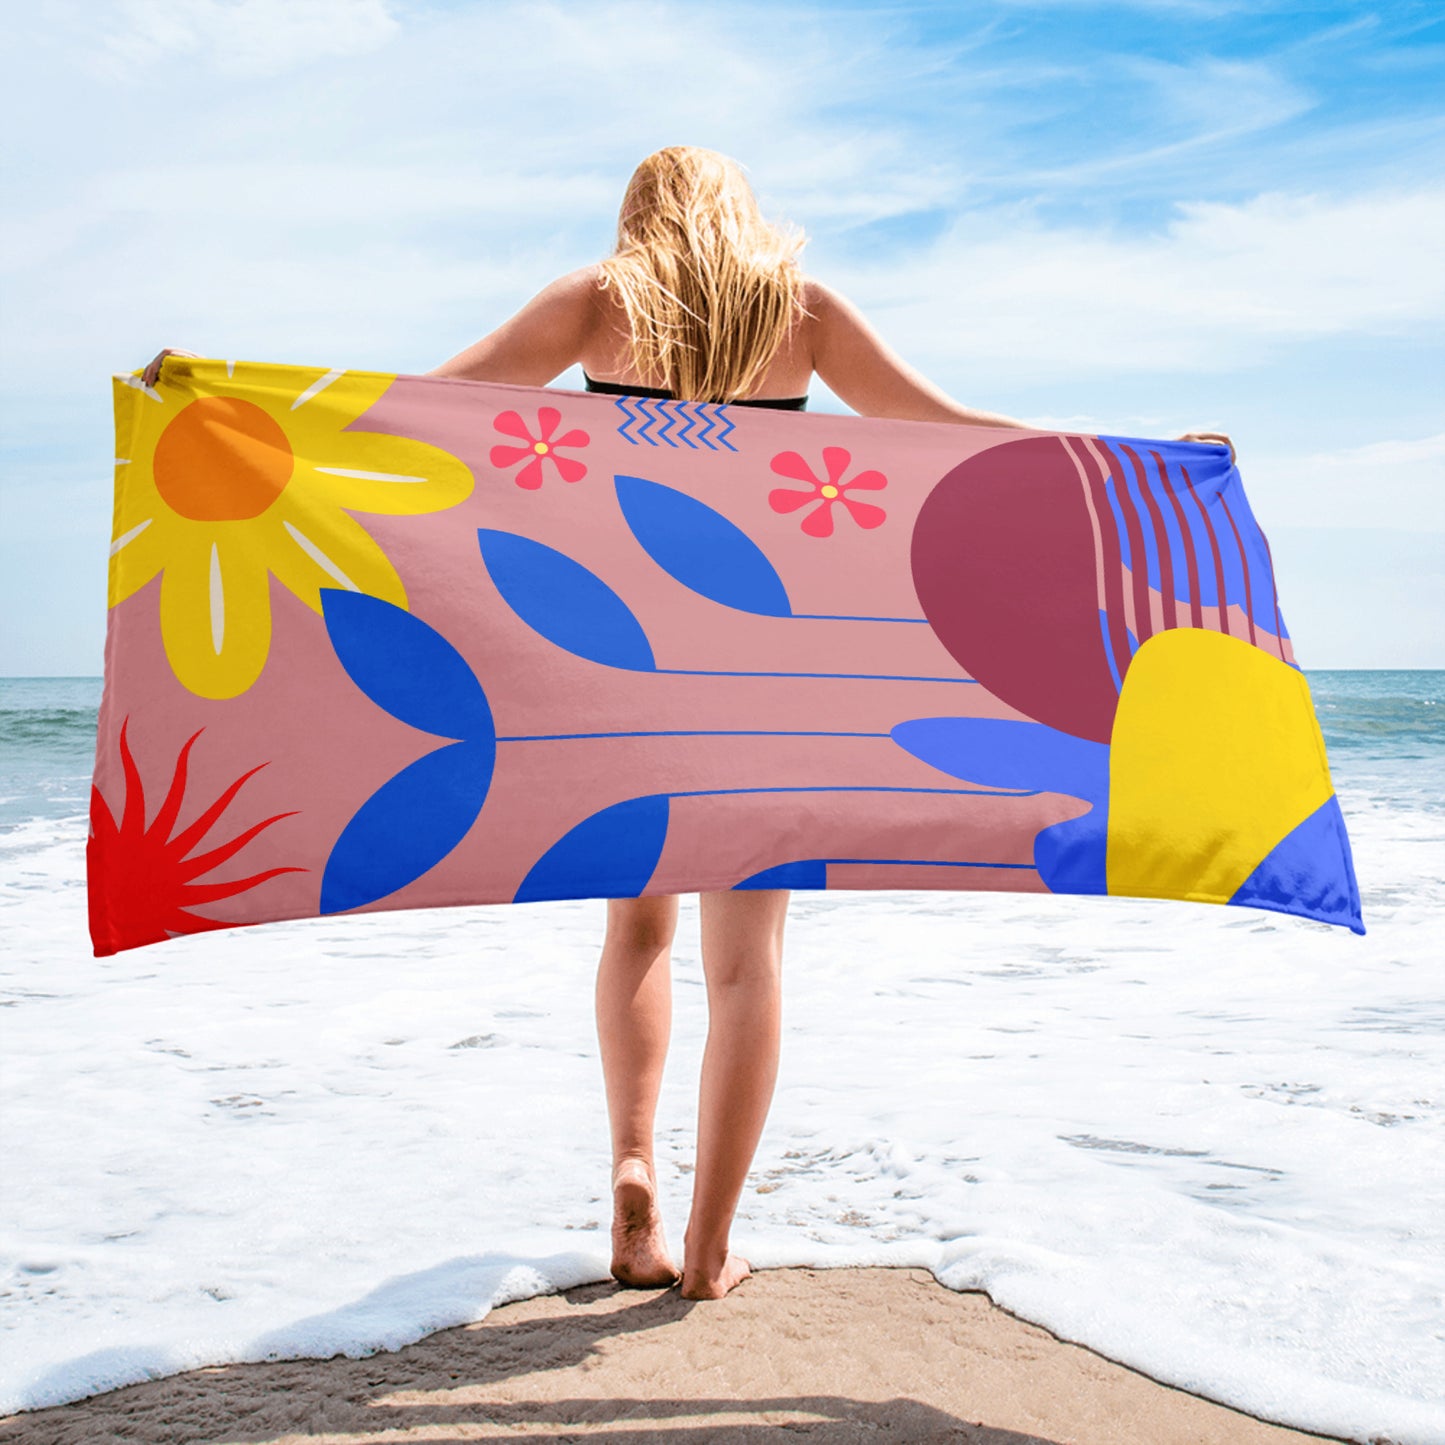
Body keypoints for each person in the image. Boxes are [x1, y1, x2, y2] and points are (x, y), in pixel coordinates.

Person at [140, 145, 1233, 1303]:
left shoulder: (596, 301)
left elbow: (417, 409)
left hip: (612, 656)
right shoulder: (799, 309)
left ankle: (629, 1169)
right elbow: (955, 430)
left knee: (637, 932)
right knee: (748, 965)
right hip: (757, 659)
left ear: (637, 216)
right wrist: (1137, 469)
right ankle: (709, 1250)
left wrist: (231, 412)